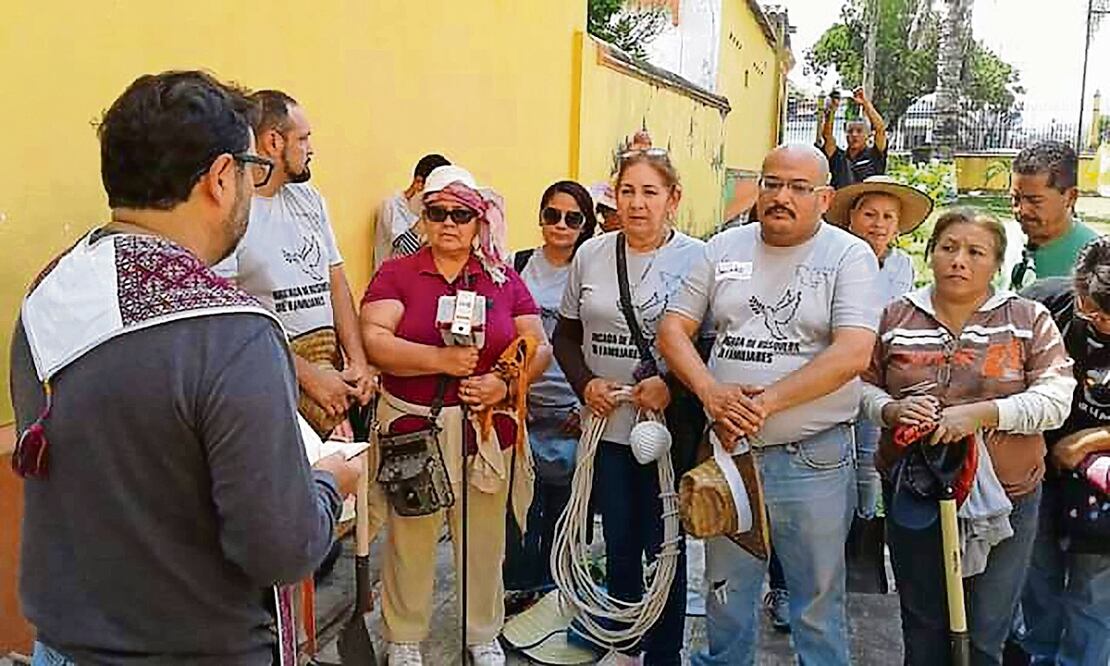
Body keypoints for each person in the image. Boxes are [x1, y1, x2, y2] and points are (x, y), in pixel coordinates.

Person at [9, 70, 361, 666]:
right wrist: (330, 481)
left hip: (62, 642)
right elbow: (279, 547)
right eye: (251, 171)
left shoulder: (49, 294)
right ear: (222, 178)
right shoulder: (232, 331)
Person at [659, 144, 881, 665]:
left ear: (824, 197)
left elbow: (853, 351)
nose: (781, 197)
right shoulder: (723, 248)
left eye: (799, 188)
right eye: (772, 183)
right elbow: (673, 328)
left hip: (812, 459)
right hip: (730, 456)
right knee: (726, 602)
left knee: (815, 607)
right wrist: (711, 393)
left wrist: (768, 402)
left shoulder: (848, 256)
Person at [861, 209, 1075, 665]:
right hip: (913, 493)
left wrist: (983, 414)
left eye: (975, 252)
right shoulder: (896, 316)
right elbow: (859, 387)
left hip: (1010, 496)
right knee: (923, 626)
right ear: (931, 253)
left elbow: (1058, 398)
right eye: (948, 248)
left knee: (985, 630)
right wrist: (891, 409)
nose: (959, 260)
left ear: (996, 264)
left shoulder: (1027, 319)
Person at [359, 164, 551, 666]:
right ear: (423, 218)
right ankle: (403, 637)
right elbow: (375, 339)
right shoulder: (397, 273)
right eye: (437, 212)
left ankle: (481, 632)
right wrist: (438, 361)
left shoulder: (500, 278)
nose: (449, 223)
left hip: (485, 426)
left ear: (477, 220)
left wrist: (504, 382)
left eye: (461, 214)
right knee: (411, 532)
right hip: (414, 424)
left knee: (485, 536)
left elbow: (538, 344)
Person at [553, 149, 702, 666]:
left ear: (673, 199)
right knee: (616, 535)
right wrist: (586, 384)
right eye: (627, 191)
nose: (637, 204)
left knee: (665, 543)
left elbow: (709, 344)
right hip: (607, 426)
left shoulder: (697, 258)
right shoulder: (591, 254)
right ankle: (623, 641)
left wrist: (671, 384)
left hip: (668, 428)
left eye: (650, 192)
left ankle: (665, 654)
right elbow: (566, 334)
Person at [215, 90, 374, 436]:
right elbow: (233, 316)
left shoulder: (310, 199)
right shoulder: (233, 212)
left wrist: (358, 361)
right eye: (303, 139)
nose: (311, 149)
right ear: (273, 141)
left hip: (330, 377)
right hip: (271, 380)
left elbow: (337, 284)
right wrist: (307, 376)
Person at [827, 175, 935, 592]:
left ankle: (862, 544)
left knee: (870, 464)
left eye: (888, 216)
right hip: (834, 373)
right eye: (870, 214)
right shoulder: (834, 257)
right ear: (852, 217)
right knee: (833, 459)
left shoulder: (902, 265)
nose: (878, 223)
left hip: (880, 380)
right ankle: (827, 546)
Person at [1018, 239, 1110, 666]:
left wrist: (1091, 441)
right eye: (1090, 308)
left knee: (1092, 585)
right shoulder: (1043, 305)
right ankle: (1039, 655)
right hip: (1037, 464)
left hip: (1100, 483)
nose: (1100, 322)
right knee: (1037, 572)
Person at [503, 180, 597, 599]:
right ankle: (518, 589)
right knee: (521, 508)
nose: (560, 224)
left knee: (566, 509)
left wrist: (586, 401)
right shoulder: (516, 264)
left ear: (585, 224)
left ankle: (557, 591)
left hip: (573, 406)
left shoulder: (594, 269)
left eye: (572, 218)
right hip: (522, 406)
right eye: (551, 214)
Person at [1009, 141, 1101, 290]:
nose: (1022, 210)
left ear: (1070, 197)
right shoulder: (998, 241)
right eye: (1015, 198)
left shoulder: (1097, 260)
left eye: (1035, 201)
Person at [374, 153, 452, 269]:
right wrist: (426, 217)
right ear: (419, 183)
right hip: (393, 283)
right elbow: (404, 251)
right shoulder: (392, 205)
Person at [820, 87, 888, 190]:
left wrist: (865, 103)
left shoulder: (875, 155)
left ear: (868, 135)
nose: (854, 135)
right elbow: (827, 136)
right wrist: (832, 111)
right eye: (850, 131)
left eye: (859, 131)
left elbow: (880, 130)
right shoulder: (838, 157)